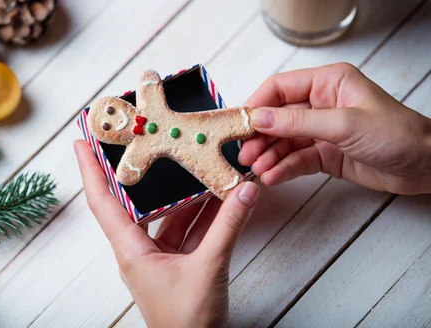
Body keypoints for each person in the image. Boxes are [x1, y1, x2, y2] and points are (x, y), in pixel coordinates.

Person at [74, 62, 431, 327]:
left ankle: (246, 131)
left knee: (241, 121)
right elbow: (129, 170)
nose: (113, 119)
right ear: (108, 136)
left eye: (110, 111)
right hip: (196, 156)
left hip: (205, 125)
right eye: (105, 124)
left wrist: (423, 156)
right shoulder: (138, 147)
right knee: (220, 174)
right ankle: (231, 178)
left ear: (120, 104)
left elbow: (150, 81)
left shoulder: (151, 103)